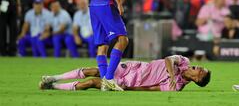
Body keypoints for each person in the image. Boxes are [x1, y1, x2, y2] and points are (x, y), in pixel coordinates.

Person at [89, 0, 141, 91]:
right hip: (106, 3)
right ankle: (109, 78)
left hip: (94, 4)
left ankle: (105, 82)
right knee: (123, 40)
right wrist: (119, 3)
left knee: (103, 46)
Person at [39, 55, 211, 92]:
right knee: (96, 70)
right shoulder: (184, 62)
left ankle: (53, 86)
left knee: (93, 83)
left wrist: (129, 89)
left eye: (201, 71)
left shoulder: (177, 87)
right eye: (201, 67)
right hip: (132, 67)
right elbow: (168, 60)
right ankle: (55, 77)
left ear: (197, 79)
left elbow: (152, 89)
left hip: (130, 81)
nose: (199, 67)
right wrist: (172, 75)